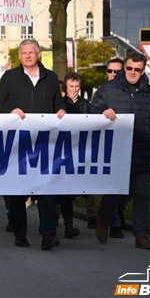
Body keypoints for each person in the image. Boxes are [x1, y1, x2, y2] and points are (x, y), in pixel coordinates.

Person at [0, 39, 66, 251]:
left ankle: (48, 234)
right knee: (17, 192)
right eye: (23, 53)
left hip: (44, 144)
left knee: (46, 190)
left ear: (39, 54)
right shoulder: (10, 77)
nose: (27, 56)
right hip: (18, 144)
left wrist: (61, 110)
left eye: (30, 52)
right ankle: (20, 233)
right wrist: (10, 112)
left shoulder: (50, 78)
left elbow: (58, 103)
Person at [89, 52, 150, 250]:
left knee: (141, 194)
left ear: (143, 70)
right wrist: (102, 113)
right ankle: (103, 221)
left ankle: (141, 235)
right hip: (115, 152)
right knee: (113, 192)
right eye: (129, 68)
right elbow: (90, 111)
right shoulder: (108, 89)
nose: (132, 72)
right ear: (124, 68)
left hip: (141, 150)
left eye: (137, 69)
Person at [57, 72, 88, 238]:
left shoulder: (85, 103)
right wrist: (68, 104)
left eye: (77, 87)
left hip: (76, 152)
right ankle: (50, 224)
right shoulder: (60, 103)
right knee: (56, 192)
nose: (74, 90)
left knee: (67, 193)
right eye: (71, 87)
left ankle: (69, 226)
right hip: (60, 151)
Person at [105, 57, 127, 235]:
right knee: (112, 186)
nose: (113, 75)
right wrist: (101, 111)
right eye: (110, 71)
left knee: (130, 187)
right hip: (108, 147)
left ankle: (118, 212)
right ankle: (114, 222)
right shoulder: (103, 91)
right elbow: (90, 111)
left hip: (129, 145)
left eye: (117, 72)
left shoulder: (133, 91)